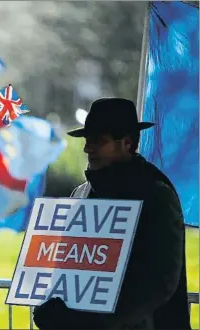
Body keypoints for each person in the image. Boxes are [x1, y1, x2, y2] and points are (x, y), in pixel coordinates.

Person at [32, 98, 190, 329]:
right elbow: (62, 264)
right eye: (88, 140)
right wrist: (45, 305)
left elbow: (161, 280)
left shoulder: (155, 194)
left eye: (99, 141)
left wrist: (100, 323)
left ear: (127, 143)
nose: (88, 148)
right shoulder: (81, 193)